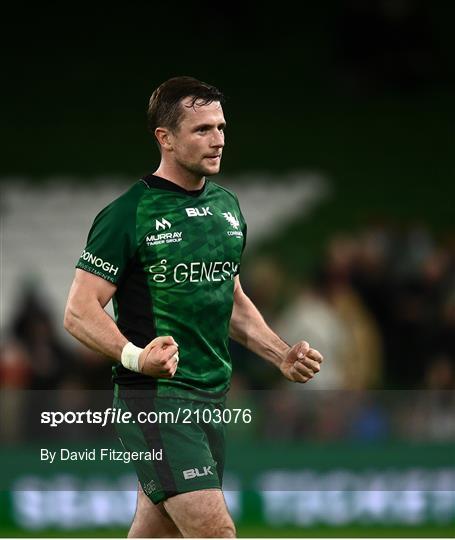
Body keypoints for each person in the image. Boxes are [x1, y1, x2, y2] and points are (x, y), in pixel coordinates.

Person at [64, 76, 324, 538]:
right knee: (214, 531)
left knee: (156, 530)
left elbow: (232, 301)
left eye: (221, 126)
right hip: (156, 401)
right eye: (202, 129)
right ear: (165, 138)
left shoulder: (227, 207)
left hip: (210, 398)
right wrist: (136, 356)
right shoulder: (129, 213)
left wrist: (278, 352)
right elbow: (79, 311)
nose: (219, 139)